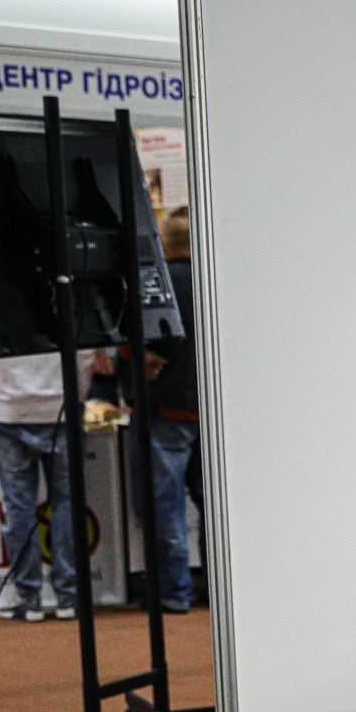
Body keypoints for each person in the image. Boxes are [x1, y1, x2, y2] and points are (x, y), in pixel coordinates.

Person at [0, 351, 94, 621]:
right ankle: (69, 596)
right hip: (61, 409)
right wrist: (75, 398)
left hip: (8, 412)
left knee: (19, 506)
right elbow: (83, 355)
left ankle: (28, 597)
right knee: (68, 503)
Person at [141, 206, 200, 613]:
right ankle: (221, 589)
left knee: (167, 506)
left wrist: (140, 355)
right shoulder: (218, 281)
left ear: (163, 241)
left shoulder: (156, 284)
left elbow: (136, 339)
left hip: (168, 409)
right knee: (219, 508)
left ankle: (175, 592)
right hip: (214, 415)